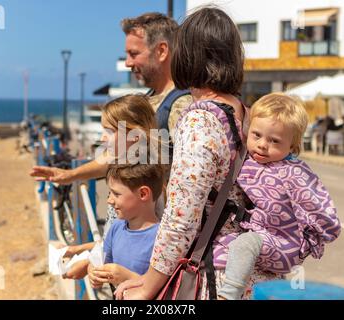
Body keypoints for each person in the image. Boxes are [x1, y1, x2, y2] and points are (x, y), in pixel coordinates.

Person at [115, 6, 280, 300]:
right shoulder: (248, 115)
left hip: (213, 274)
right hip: (246, 273)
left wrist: (149, 284)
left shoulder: (200, 120)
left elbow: (182, 217)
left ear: (186, 56)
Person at [29, 12, 192, 186]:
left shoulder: (181, 105)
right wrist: (69, 175)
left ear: (161, 51)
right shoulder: (150, 99)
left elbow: (191, 175)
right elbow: (115, 156)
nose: (128, 63)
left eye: (134, 54)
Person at [216, 93, 341, 300]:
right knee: (228, 246)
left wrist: (312, 238)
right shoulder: (247, 159)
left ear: (292, 146)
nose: (263, 144)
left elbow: (320, 207)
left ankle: (227, 295)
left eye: (274, 141)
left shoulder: (294, 172)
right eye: (257, 135)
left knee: (244, 244)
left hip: (285, 242)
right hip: (264, 235)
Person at [56, 94, 159, 280]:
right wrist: (80, 251)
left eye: (110, 131)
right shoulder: (125, 171)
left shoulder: (146, 184)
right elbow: (117, 238)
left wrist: (90, 262)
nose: (102, 137)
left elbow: (137, 245)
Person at [87, 163, 164, 289]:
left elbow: (163, 288)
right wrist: (93, 271)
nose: (109, 200)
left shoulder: (161, 239)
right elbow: (99, 260)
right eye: (109, 193)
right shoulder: (117, 227)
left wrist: (127, 276)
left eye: (116, 194)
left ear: (143, 194)